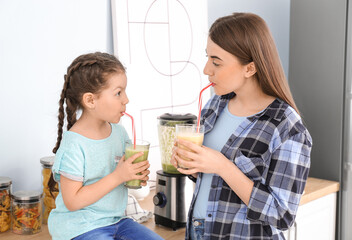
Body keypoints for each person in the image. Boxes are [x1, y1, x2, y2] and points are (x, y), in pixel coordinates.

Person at [172, 13, 312, 240]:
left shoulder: (286, 127)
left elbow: (282, 215)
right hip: (199, 231)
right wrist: (193, 165)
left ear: (250, 68)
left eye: (216, 62)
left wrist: (223, 166)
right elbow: (214, 183)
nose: (207, 69)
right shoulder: (215, 105)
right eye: (207, 58)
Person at [47, 52, 163, 240]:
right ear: (91, 100)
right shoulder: (74, 144)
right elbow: (73, 201)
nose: (126, 99)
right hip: (81, 226)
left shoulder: (119, 133)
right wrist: (119, 176)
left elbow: (122, 178)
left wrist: (133, 175)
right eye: (118, 93)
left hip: (116, 221)